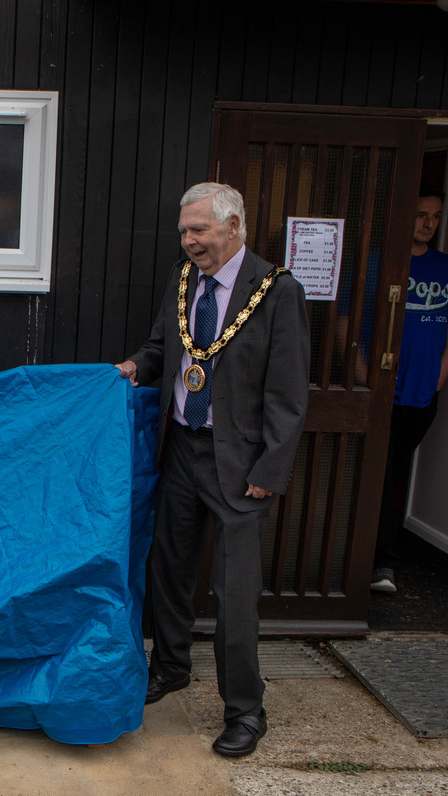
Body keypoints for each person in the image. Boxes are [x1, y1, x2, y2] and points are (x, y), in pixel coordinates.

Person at [116, 182, 309, 758]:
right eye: (184, 231)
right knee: (169, 573)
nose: (189, 240)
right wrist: (134, 365)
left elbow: (289, 391)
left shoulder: (277, 292)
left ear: (234, 226)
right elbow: (161, 350)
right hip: (181, 452)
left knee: (234, 592)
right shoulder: (183, 280)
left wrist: (271, 468)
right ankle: (171, 667)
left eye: (198, 229)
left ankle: (246, 711)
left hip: (241, 464)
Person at [372, 188, 448, 594]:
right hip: (381, 392)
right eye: (420, 215)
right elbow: (346, 320)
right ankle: (380, 563)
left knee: (390, 473)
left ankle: (378, 560)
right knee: (379, 473)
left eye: (435, 216)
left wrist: (437, 381)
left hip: (423, 395)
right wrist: (367, 374)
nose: (428, 224)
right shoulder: (382, 262)